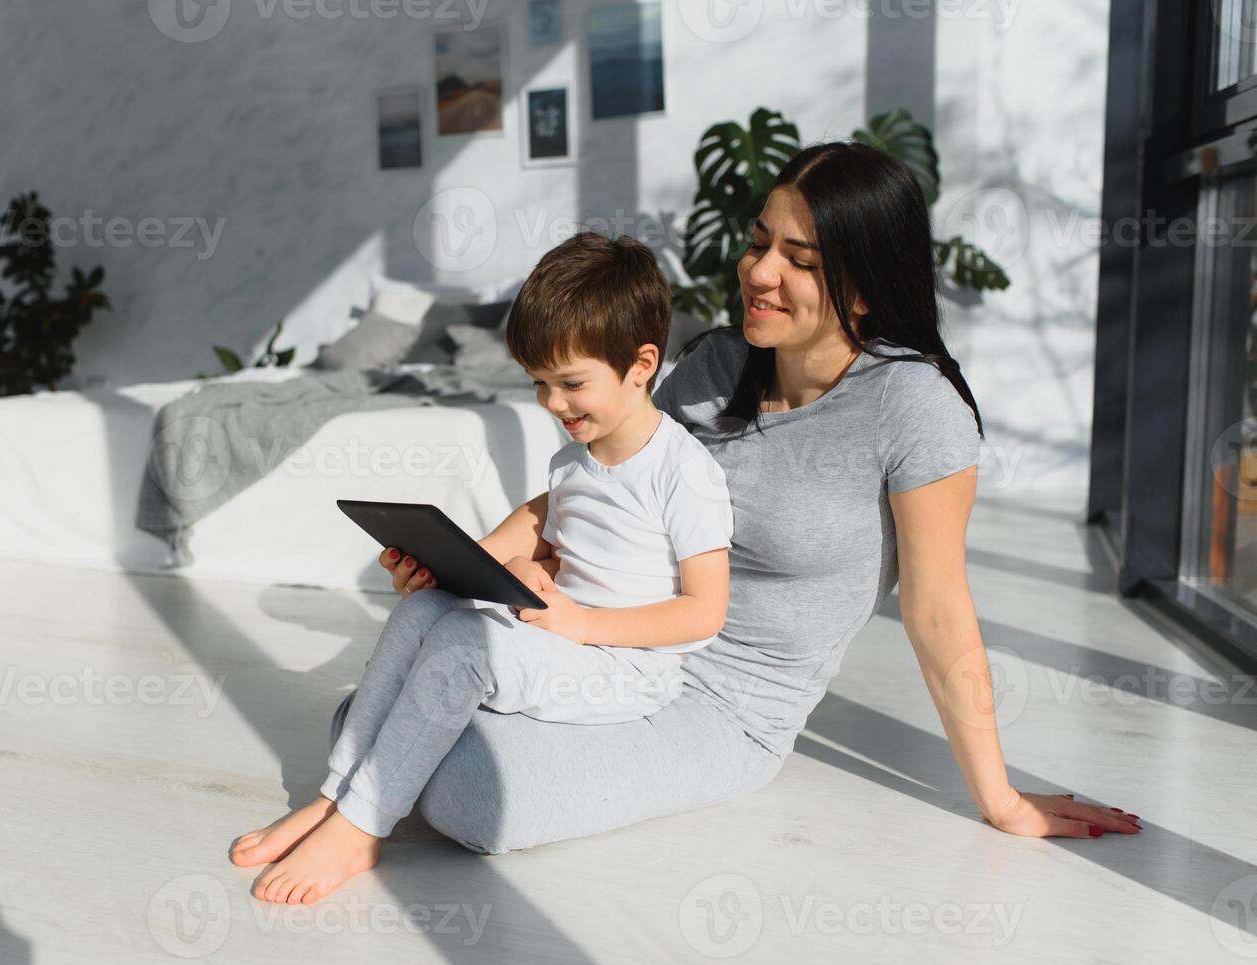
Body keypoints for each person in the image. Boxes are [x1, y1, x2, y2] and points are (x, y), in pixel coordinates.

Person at [358, 141, 1143, 858]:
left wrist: (1000, 798)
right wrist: (468, 561)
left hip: (726, 708)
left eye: (797, 258)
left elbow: (938, 609)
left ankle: (384, 776)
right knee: (405, 700)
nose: (759, 272)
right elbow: (593, 489)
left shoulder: (913, 405)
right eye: (759, 241)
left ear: (864, 287)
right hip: (611, 645)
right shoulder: (716, 366)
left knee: (465, 789)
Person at [229, 233, 736, 905]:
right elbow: (543, 518)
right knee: (421, 612)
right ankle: (335, 794)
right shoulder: (574, 460)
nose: (554, 404)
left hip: (626, 670)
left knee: (467, 644)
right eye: (539, 384)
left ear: (642, 364)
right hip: (562, 638)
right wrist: (457, 563)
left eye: (572, 383)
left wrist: (581, 623)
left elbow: (705, 611)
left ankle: (361, 824)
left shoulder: (685, 471)